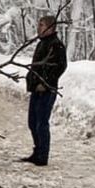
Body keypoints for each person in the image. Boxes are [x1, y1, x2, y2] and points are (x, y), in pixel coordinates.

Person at [20, 15, 68, 166]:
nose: (38, 27)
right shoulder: (42, 43)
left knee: (41, 122)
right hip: (36, 88)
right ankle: (37, 151)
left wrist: (46, 83)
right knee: (32, 122)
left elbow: (61, 66)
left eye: (41, 25)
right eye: (39, 24)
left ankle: (43, 155)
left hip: (47, 90)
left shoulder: (56, 45)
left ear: (51, 27)